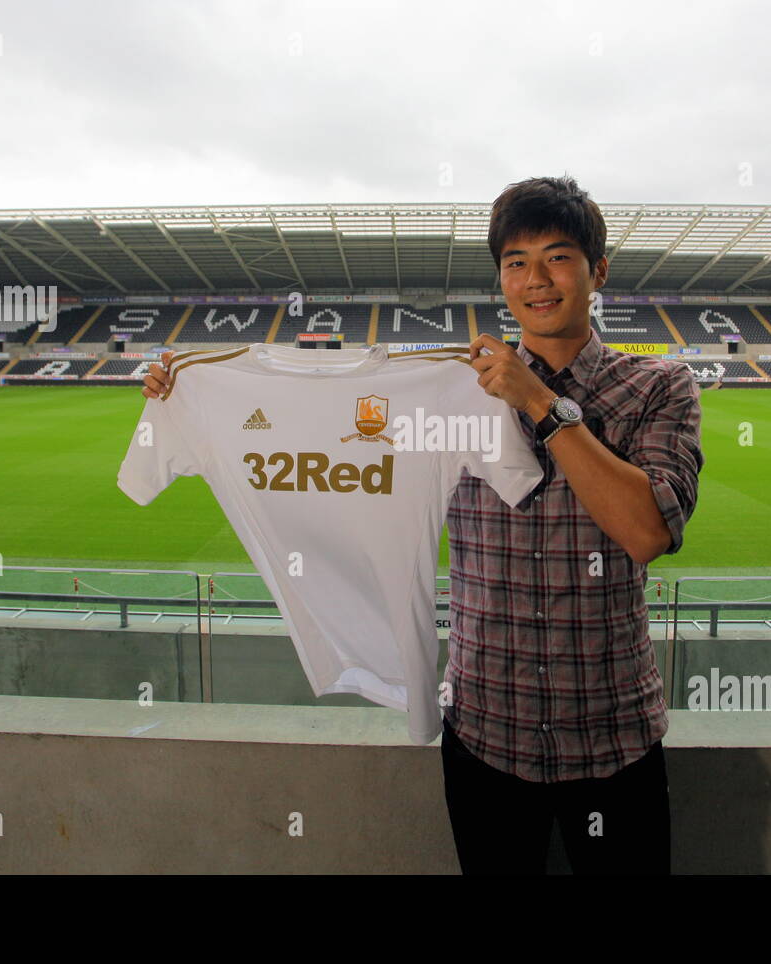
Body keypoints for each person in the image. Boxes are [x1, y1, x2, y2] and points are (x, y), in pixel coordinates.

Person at [142, 176, 703, 875]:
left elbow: (646, 531)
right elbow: (329, 447)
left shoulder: (660, 386)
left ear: (598, 270)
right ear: (501, 277)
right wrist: (197, 397)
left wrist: (539, 402)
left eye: (559, 258)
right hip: (484, 734)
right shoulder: (453, 388)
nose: (537, 280)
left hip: (614, 735)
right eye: (516, 263)